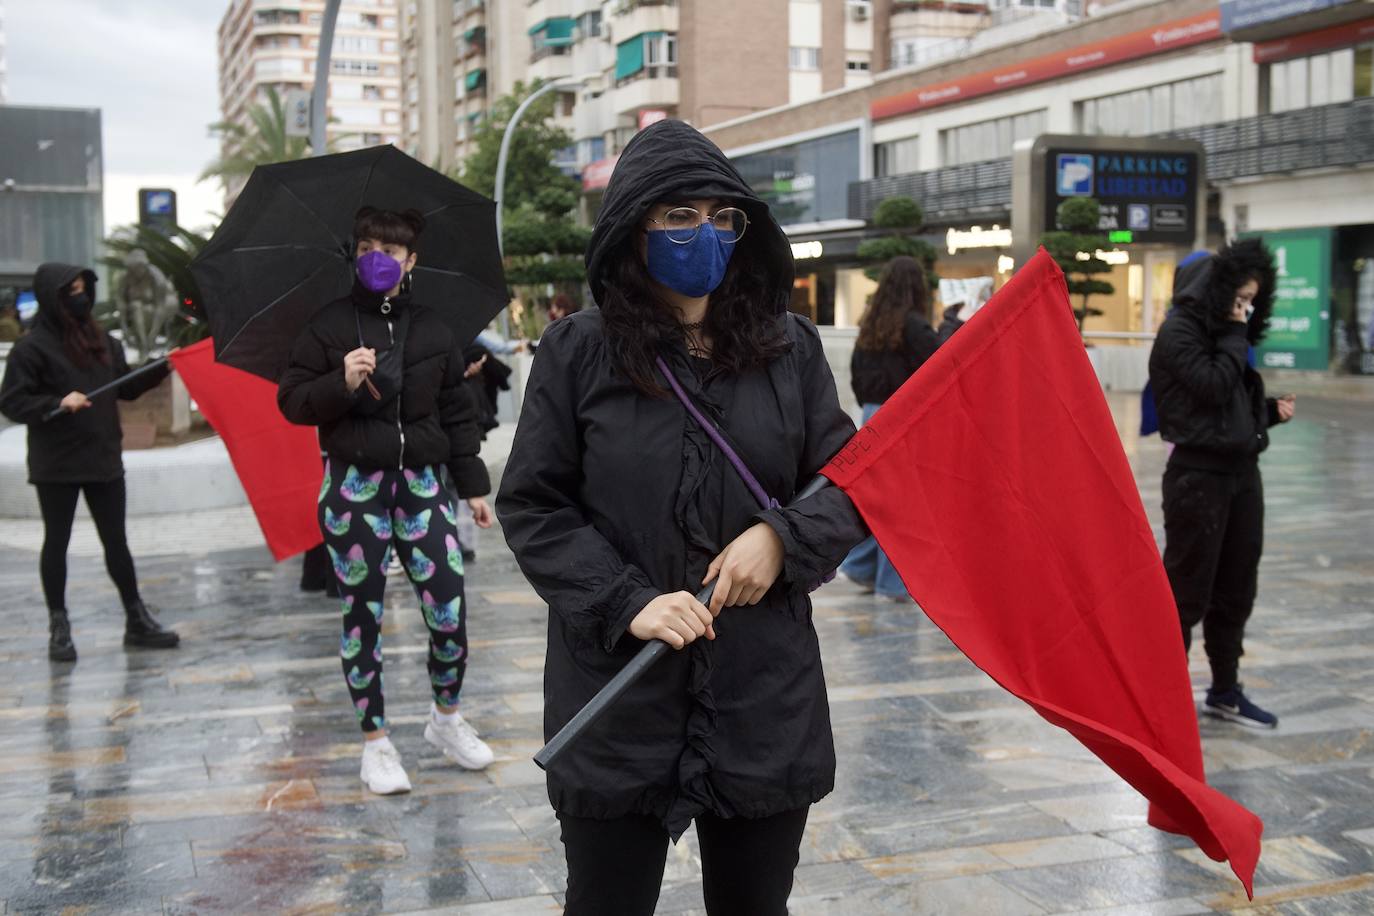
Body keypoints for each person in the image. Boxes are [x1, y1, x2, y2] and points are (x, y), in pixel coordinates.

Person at [496, 119, 866, 916]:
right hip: (619, 696)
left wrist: (781, 538)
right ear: (634, 229)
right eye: (678, 216)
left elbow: (851, 483)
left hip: (761, 689)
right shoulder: (577, 353)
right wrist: (628, 601)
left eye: (721, 216)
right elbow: (535, 504)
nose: (705, 233)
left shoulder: (789, 349)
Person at [278, 206, 496, 794]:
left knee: (448, 608)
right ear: (355, 253)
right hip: (354, 488)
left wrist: (472, 485)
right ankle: (375, 742)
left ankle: (445, 720)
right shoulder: (327, 326)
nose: (379, 258)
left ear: (411, 261)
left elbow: (457, 409)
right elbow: (292, 403)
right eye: (369, 246)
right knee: (363, 614)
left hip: (423, 484)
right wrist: (339, 383)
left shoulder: (433, 328)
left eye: (392, 249)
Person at [1148, 237, 1294, 729]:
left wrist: (1267, 414)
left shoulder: (1226, 335)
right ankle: (1163, 697)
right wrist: (1236, 333)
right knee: (1186, 593)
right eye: (1239, 300)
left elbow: (1227, 404)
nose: (1245, 310)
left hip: (1240, 477)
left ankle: (1225, 691)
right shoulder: (1179, 333)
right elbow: (1210, 386)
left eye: (1252, 302)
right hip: (1197, 480)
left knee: (1236, 589)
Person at [0, 263, 180, 661]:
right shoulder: (31, 348)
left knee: (116, 541)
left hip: (102, 458)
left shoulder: (103, 341)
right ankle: (59, 626)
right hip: (57, 464)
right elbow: (11, 400)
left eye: (84, 289)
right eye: (72, 291)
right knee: (57, 542)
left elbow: (126, 387)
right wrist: (56, 403)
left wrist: (165, 365)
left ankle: (137, 619)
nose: (81, 297)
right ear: (53, 298)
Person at [840, 256, 959, 602]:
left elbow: (856, 374)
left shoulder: (871, 324)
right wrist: (950, 326)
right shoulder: (915, 326)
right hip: (904, 421)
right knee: (903, 505)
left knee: (881, 500)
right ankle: (890, 584)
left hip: (873, 417)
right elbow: (938, 367)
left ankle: (861, 568)